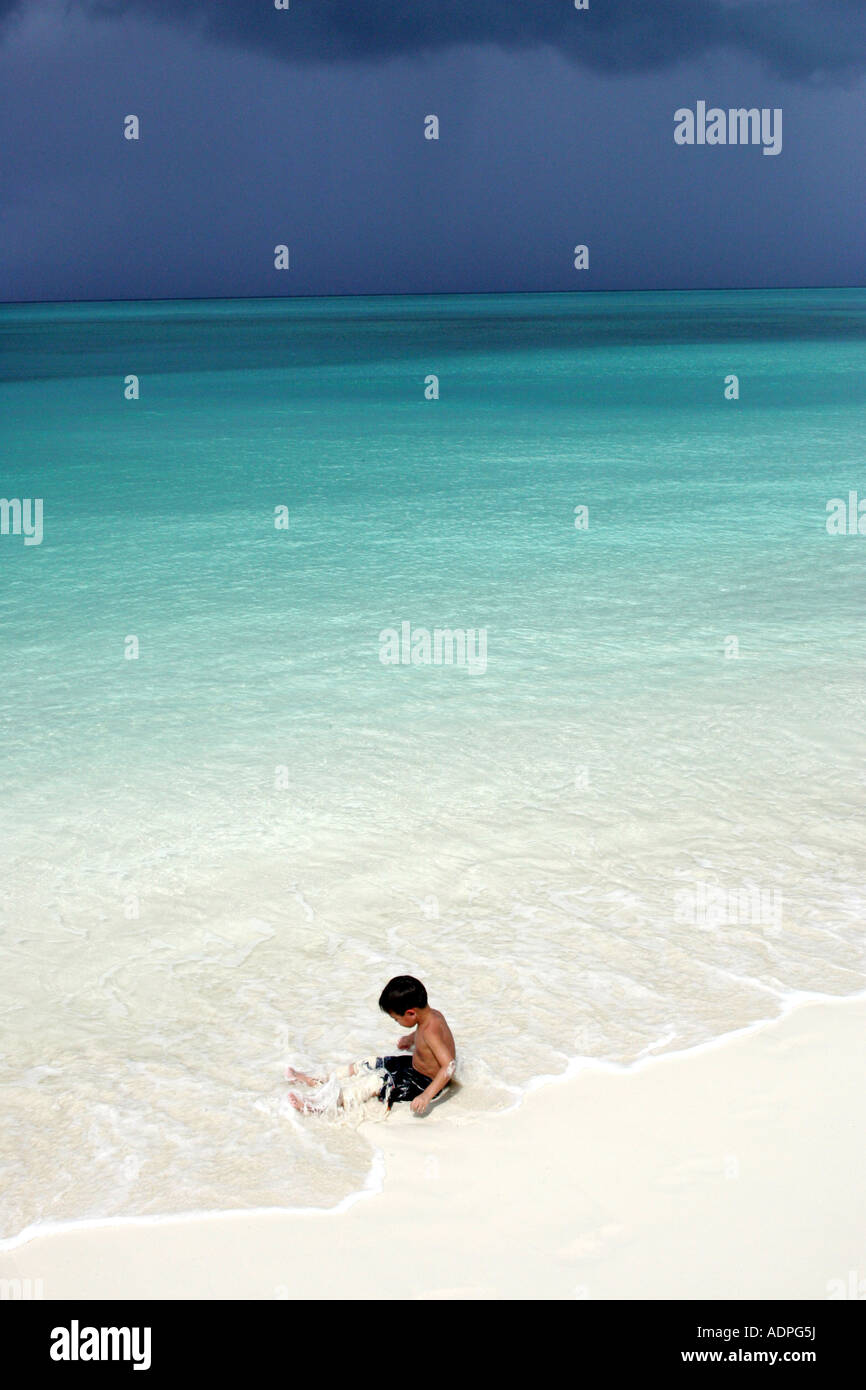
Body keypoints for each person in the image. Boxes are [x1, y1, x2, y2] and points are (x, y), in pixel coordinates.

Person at [287, 975, 455, 1115]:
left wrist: (426, 1096)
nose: (397, 1022)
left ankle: (321, 1106)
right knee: (371, 1063)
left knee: (375, 1082)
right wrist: (410, 1038)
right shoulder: (430, 1016)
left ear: (410, 1013)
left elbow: (449, 1065)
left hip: (423, 1082)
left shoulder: (430, 1030)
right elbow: (426, 1036)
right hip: (413, 1067)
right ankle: (318, 1080)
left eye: (396, 1019)